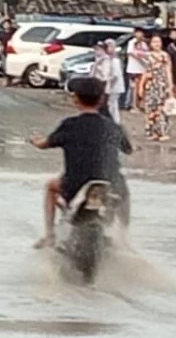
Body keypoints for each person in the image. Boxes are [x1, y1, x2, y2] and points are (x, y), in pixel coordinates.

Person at [30, 77, 131, 248]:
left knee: (50, 186)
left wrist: (35, 140)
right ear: (102, 100)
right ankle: (124, 236)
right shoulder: (113, 127)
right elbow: (128, 149)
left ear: (75, 99)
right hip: (111, 184)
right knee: (125, 194)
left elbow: (44, 144)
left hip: (75, 185)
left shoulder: (69, 125)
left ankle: (49, 235)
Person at [140, 35, 175, 141]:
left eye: (158, 42)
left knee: (162, 109)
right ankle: (153, 132)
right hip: (150, 85)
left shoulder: (165, 55)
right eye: (154, 42)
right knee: (150, 108)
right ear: (150, 44)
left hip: (162, 85)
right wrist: (141, 86)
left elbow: (169, 71)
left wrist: (170, 85)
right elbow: (145, 72)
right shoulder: (147, 56)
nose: (157, 44)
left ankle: (163, 132)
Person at [93, 40, 125, 123]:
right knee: (109, 105)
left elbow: (115, 76)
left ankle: (114, 122)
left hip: (113, 86)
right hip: (107, 86)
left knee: (112, 105)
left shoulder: (114, 60)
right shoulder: (104, 59)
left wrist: (108, 85)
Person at [125, 28, 147, 111]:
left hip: (142, 68)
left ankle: (140, 104)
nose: (140, 35)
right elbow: (130, 52)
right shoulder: (131, 42)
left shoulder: (144, 44)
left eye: (141, 33)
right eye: (138, 33)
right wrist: (139, 57)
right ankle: (133, 105)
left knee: (142, 87)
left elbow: (147, 54)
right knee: (134, 88)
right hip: (133, 69)